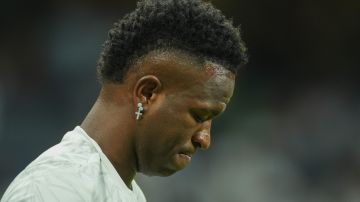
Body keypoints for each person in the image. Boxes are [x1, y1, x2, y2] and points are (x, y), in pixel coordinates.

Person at [1, 0, 247, 201]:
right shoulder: (55, 189)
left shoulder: (127, 193)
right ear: (147, 93)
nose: (204, 139)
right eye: (199, 116)